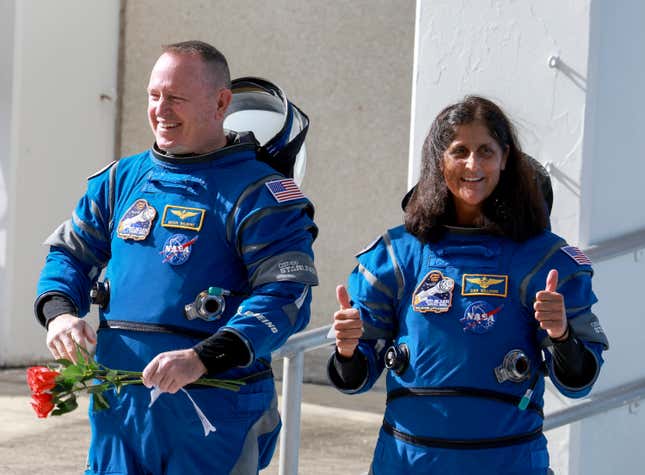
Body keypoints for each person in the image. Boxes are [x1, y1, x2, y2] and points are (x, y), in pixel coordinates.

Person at [35, 40, 318, 475]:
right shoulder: (119, 181)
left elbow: (285, 296)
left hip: (215, 419)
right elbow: (70, 255)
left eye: (176, 98)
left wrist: (203, 357)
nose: (160, 110)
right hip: (122, 415)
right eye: (154, 96)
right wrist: (59, 314)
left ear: (221, 102)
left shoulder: (260, 195)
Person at [328, 96, 608, 475]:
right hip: (408, 462)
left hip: (506, 462)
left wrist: (561, 336)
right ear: (439, 158)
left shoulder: (546, 262)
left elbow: (579, 382)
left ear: (505, 158)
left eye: (485, 151)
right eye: (459, 151)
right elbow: (355, 378)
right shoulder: (397, 255)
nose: (472, 165)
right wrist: (346, 352)